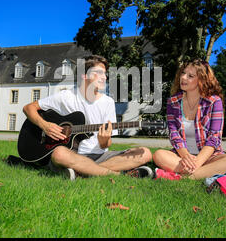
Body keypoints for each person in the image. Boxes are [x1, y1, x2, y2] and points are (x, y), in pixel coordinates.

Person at [22, 55, 153, 180]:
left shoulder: (107, 102)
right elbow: (28, 108)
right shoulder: (65, 96)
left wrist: (104, 140)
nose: (104, 77)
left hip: (100, 156)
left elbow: (106, 145)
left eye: (105, 73)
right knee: (59, 154)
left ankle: (83, 171)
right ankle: (117, 174)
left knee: (145, 153)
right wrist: (45, 125)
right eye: (99, 73)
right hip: (72, 155)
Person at [153, 58, 226, 180]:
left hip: (209, 157)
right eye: (183, 73)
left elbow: (214, 137)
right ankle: (203, 173)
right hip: (183, 157)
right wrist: (187, 157)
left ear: (202, 80)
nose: (183, 78)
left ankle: (185, 177)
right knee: (159, 155)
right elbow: (174, 135)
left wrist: (197, 162)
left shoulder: (214, 101)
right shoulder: (173, 102)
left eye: (190, 76)